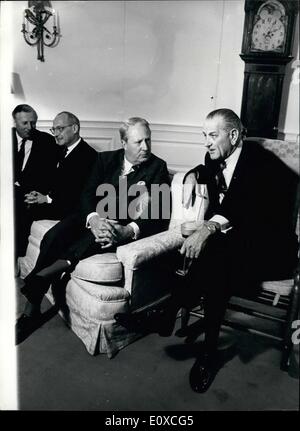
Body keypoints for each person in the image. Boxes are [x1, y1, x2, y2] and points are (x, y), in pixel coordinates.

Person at [115, 109, 299, 393]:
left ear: (234, 135)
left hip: (271, 249)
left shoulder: (262, 163)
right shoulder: (213, 158)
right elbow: (209, 173)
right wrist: (193, 174)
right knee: (218, 265)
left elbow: (243, 205)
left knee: (216, 253)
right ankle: (207, 351)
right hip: (233, 250)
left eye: (213, 136)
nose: (207, 143)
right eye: (204, 136)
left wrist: (209, 228)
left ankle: (167, 312)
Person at [16, 117, 171, 344]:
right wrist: (94, 218)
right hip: (92, 216)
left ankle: (30, 308)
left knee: (96, 237)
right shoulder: (105, 159)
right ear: (124, 142)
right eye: (139, 142)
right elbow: (87, 194)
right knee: (54, 235)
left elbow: (158, 215)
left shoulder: (158, 167)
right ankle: (38, 293)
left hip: (118, 225)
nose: (146, 147)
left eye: (148, 140)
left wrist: (128, 230)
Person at [24, 111, 97, 220]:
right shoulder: (60, 150)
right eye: (54, 129)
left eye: (60, 129)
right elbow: (53, 180)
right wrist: (39, 194)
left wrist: (46, 199)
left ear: (74, 129)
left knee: (20, 212)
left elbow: (74, 196)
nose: (56, 134)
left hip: (71, 211)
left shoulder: (88, 156)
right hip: (57, 204)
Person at [12, 104, 59, 257]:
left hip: (30, 193)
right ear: (15, 122)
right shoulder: (3, 137)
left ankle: (17, 258)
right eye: (24, 123)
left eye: (33, 123)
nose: (30, 127)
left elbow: (52, 174)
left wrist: (40, 193)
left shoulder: (47, 141)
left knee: (23, 208)